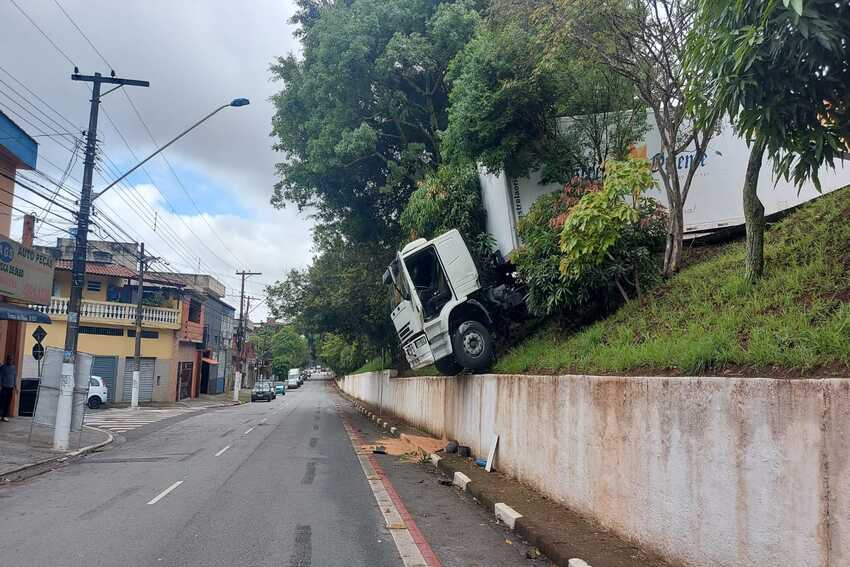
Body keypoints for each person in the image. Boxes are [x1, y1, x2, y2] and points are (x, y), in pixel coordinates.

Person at [0, 354, 16, 422]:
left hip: (11, 388)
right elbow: (0, 376)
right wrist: (0, 385)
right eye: (9, 359)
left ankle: (4, 416)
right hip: (4, 387)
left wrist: (15, 386)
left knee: (8, 402)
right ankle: (0, 415)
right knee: (2, 402)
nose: (10, 361)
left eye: (11, 359)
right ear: (7, 360)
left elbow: (14, 377)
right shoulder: (3, 367)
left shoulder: (13, 367)